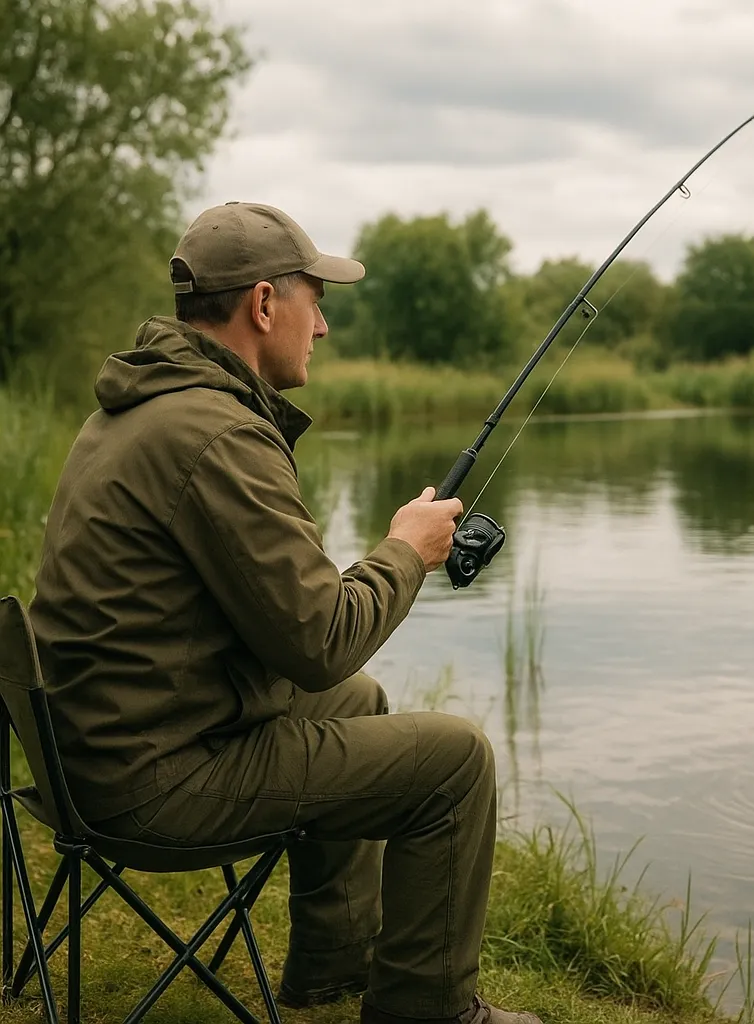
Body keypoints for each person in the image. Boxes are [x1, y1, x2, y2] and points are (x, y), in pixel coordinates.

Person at [27, 202, 542, 1024]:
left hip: (90, 756)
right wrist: (406, 549)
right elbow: (320, 641)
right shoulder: (217, 435)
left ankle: (332, 971)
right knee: (456, 762)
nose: (324, 327)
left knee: (359, 704)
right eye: (316, 301)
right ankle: (430, 1012)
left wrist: (379, 561)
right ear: (265, 306)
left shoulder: (134, 410)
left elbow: (292, 629)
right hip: (149, 785)